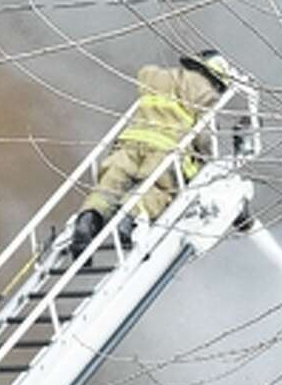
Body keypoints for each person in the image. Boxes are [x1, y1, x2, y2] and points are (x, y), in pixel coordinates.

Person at [71, 50, 233, 255]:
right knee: (158, 191)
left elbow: (143, 74)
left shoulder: (156, 78)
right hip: (164, 152)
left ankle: (87, 220)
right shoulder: (207, 95)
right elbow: (205, 138)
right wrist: (208, 158)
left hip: (128, 144)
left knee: (108, 187)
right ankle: (128, 220)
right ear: (216, 78)